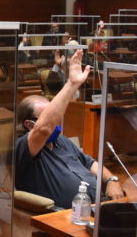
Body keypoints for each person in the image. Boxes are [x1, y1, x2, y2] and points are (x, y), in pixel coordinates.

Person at [15, 48, 124, 209]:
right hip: (64, 215)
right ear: (30, 125)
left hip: (100, 205)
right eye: (49, 116)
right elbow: (43, 128)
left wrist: (111, 180)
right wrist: (72, 84)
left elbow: (90, 163)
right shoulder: (23, 148)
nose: (55, 120)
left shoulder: (60, 141)